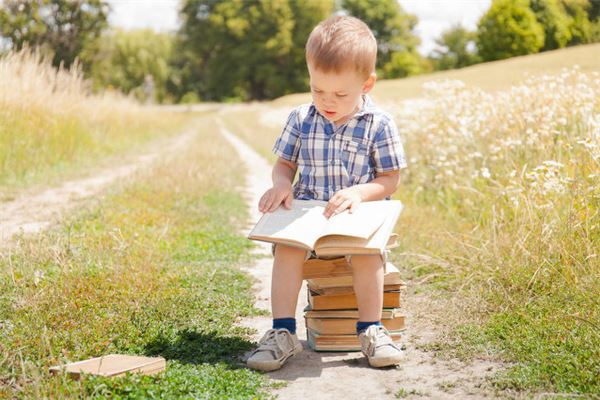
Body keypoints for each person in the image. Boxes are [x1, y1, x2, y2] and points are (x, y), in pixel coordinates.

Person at [246, 15, 407, 371]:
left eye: (340, 94)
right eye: (317, 90)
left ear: (367, 84)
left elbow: (390, 179)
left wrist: (360, 193)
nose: (327, 101)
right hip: (306, 213)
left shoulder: (379, 123)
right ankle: (282, 332)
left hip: (356, 215)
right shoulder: (300, 118)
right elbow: (284, 164)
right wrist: (282, 183)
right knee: (287, 250)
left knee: (367, 256)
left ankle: (372, 330)